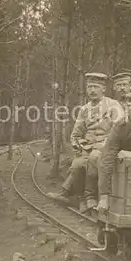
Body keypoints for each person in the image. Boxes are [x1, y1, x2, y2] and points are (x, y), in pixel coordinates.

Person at [47, 73, 123, 212]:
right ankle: (81, 199)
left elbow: (119, 131)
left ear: (103, 89)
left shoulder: (113, 105)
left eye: (96, 87)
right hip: (89, 147)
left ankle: (90, 198)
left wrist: (105, 143)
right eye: (89, 87)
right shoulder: (84, 109)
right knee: (77, 165)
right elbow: (76, 133)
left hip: (108, 146)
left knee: (94, 159)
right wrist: (77, 145)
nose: (92, 90)